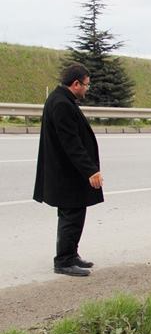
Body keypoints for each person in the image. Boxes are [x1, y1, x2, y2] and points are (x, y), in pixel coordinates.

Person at [33, 63, 103, 277]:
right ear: (75, 84)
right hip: (66, 174)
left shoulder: (61, 99)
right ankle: (63, 261)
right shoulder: (61, 104)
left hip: (66, 172)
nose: (86, 89)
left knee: (73, 213)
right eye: (86, 85)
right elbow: (71, 143)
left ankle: (71, 254)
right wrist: (91, 170)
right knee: (71, 215)